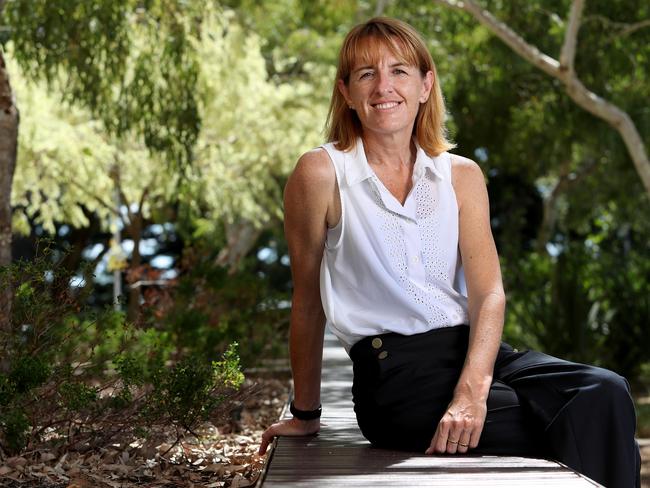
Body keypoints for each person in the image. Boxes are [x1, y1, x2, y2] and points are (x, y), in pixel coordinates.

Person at [258, 17, 641, 487]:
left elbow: (489, 293)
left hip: (477, 353)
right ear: (346, 92)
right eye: (366, 74)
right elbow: (307, 301)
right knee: (574, 419)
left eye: (399, 71)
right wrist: (306, 412)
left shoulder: (461, 175)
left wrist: (473, 388)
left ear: (425, 85)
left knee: (605, 392)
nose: (384, 87)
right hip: (396, 377)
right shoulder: (320, 174)